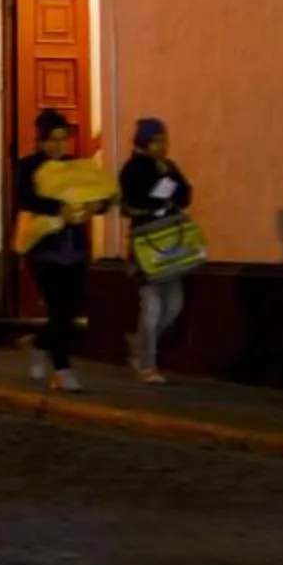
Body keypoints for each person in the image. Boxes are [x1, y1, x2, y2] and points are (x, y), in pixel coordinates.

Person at [15, 109, 108, 393]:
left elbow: (100, 195)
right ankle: (62, 370)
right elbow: (25, 198)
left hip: (75, 248)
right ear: (41, 140)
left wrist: (97, 205)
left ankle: (38, 343)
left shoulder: (75, 167)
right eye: (52, 140)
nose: (58, 145)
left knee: (70, 311)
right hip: (43, 248)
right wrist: (58, 208)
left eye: (62, 139)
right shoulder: (29, 166)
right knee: (58, 308)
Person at [118, 117, 195, 385]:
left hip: (171, 243)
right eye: (156, 141)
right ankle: (147, 364)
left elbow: (185, 196)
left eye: (164, 140)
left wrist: (169, 177)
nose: (162, 146)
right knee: (151, 305)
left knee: (174, 306)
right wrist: (160, 191)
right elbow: (135, 201)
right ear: (144, 142)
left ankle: (139, 343)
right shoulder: (132, 170)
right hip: (146, 244)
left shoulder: (168, 166)